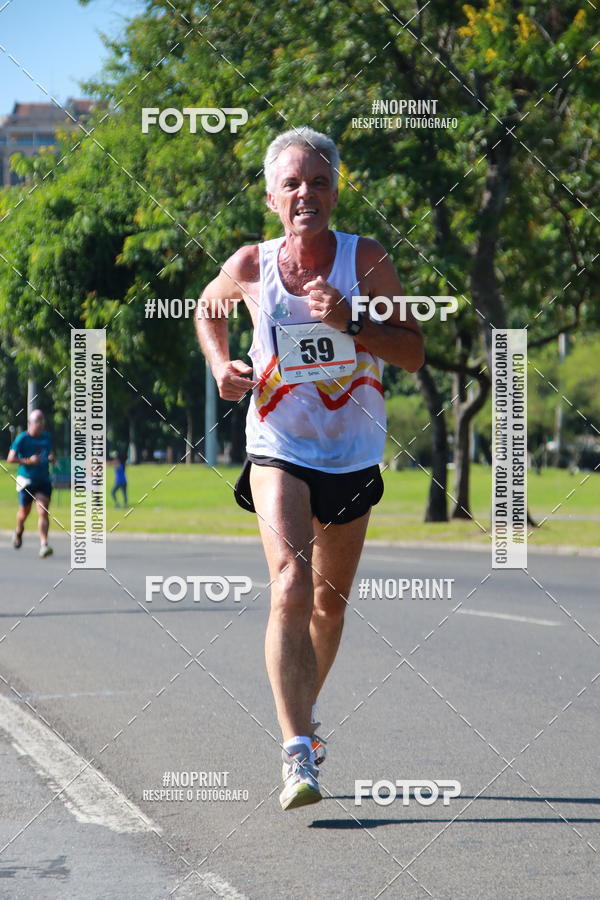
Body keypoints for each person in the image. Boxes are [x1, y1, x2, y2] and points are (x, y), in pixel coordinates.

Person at [195, 127, 424, 810]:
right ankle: (297, 753)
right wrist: (219, 363)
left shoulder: (367, 260)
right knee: (291, 583)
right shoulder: (251, 264)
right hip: (279, 442)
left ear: (335, 191)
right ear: (272, 197)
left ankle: (305, 720)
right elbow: (210, 310)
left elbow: (412, 352)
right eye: (292, 184)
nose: (306, 195)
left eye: (318, 182)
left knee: (328, 604)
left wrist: (354, 321)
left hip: (352, 452)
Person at [7, 409, 55, 558]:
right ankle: (18, 531)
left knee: (43, 511)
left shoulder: (47, 438)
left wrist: (52, 457)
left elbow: (50, 453)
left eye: (42, 422)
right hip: (26, 481)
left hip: (43, 481)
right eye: (37, 422)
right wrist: (28, 461)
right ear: (30, 423)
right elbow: (10, 458)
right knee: (23, 514)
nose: (40, 425)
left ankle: (44, 545)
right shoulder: (22, 438)